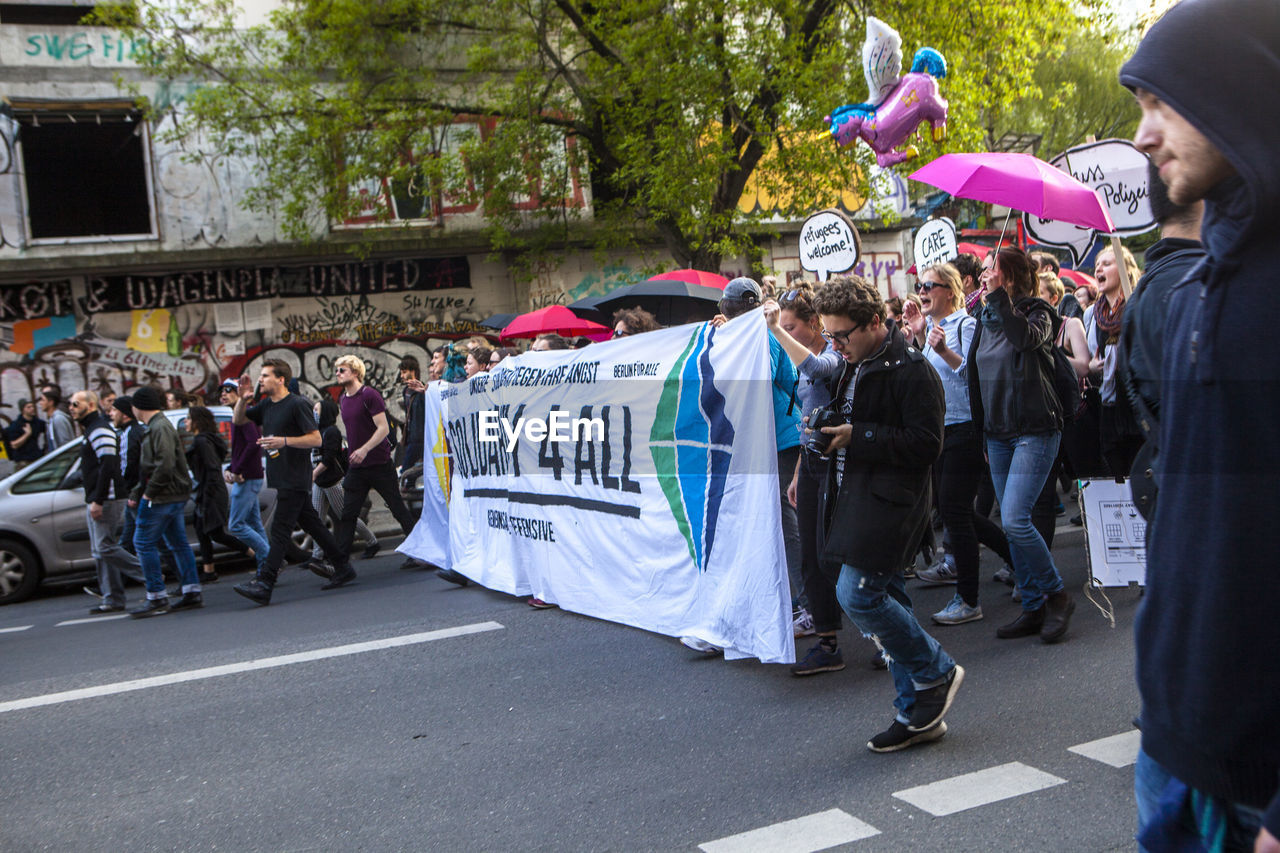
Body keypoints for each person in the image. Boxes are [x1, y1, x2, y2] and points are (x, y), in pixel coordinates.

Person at [1121, 3, 1280, 849]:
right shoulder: (1204, 284)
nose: (1142, 135)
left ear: (1234, 93)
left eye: (1160, 102)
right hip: (1176, 748)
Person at [811, 275, 961, 752]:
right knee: (886, 607)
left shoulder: (914, 370)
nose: (835, 345)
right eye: (829, 335)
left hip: (890, 505)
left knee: (857, 596)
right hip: (855, 496)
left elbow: (926, 444)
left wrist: (860, 435)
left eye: (842, 335)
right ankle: (916, 712)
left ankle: (937, 670)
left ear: (874, 322)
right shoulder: (854, 360)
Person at [967, 247, 1075, 643]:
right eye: (981, 272)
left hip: (1036, 429)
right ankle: (1033, 606)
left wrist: (996, 297)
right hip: (997, 435)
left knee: (1014, 518)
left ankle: (1058, 595)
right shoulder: (984, 317)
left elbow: (1026, 339)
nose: (983, 276)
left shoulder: (1038, 312)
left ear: (1009, 276)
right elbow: (976, 380)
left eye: (989, 270)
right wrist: (982, 433)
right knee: (1014, 527)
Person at [901, 264, 1013, 625]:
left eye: (928, 285)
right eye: (919, 286)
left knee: (954, 511)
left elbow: (974, 375)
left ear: (949, 290)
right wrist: (919, 339)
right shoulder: (935, 329)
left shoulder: (966, 325)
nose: (921, 291)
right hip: (941, 431)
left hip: (965, 429)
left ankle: (968, 599)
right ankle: (1017, 558)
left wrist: (945, 350)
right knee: (958, 511)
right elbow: (930, 380)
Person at [763, 285, 848, 674]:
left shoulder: (836, 352)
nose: (787, 333)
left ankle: (886, 637)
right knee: (812, 555)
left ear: (815, 324)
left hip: (844, 464)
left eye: (792, 326)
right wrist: (799, 470)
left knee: (853, 551)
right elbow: (805, 420)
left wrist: (776, 333)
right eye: (784, 327)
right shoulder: (803, 350)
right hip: (812, 462)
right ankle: (828, 642)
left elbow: (817, 370)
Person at [232, 360, 354, 605]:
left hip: (295, 477)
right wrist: (243, 399)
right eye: (260, 375)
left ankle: (265, 583)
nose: (260, 379)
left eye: (265, 375)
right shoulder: (266, 404)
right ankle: (342, 566)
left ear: (280, 379)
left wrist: (283, 441)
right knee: (315, 526)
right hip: (281, 476)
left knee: (279, 530)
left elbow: (316, 438)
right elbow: (239, 421)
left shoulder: (297, 404)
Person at [331, 355, 418, 580]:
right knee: (348, 514)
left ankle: (419, 549)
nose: (338, 373)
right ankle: (341, 567)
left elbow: (382, 429)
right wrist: (353, 451)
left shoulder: (369, 395)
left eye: (342, 370)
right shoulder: (343, 399)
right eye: (337, 370)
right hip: (357, 468)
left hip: (378, 464)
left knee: (397, 507)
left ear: (355, 372)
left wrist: (364, 449)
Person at [127, 386, 201, 617]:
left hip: (163, 495)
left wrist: (148, 493)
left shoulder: (158, 428)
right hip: (171, 493)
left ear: (138, 407)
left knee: (142, 542)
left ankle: (156, 597)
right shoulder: (158, 425)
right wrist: (139, 491)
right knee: (177, 542)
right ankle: (191, 590)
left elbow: (164, 464)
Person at [71, 391, 142, 615]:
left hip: (108, 497)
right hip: (97, 497)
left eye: (75, 403)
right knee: (99, 550)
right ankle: (112, 597)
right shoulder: (91, 429)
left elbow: (109, 463)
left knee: (105, 546)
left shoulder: (99, 428)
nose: (71, 407)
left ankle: (149, 572)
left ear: (90, 405)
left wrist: (98, 500)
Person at [1087, 246, 1145, 478]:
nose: (1099, 267)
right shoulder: (1094, 314)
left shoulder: (1138, 305)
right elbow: (1092, 357)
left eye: (1107, 263)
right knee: (1115, 472)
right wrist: (1092, 368)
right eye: (1098, 264)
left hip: (1135, 405)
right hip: (1109, 407)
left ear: (1124, 270)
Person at [185, 406, 252, 585]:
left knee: (216, 533)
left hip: (211, 492)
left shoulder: (202, 442)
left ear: (197, 421)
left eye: (188, 418)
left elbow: (212, 468)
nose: (186, 422)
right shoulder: (207, 439)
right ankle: (209, 570)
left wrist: (207, 494)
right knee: (201, 530)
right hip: (207, 491)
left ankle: (258, 554)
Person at [312, 398, 379, 560]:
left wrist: (313, 474)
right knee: (316, 520)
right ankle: (317, 555)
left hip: (332, 482)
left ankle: (372, 541)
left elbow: (328, 459)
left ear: (325, 412)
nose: (314, 413)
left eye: (317, 410)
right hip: (319, 483)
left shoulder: (331, 432)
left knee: (347, 517)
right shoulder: (316, 432)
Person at [218, 379, 271, 577]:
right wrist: (232, 467)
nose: (223, 394)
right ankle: (265, 568)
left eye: (229, 391)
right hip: (247, 475)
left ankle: (271, 560)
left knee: (236, 525)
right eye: (222, 391)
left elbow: (253, 443)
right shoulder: (238, 414)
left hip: (247, 478)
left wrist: (237, 470)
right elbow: (241, 448)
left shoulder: (246, 415)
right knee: (255, 524)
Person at [3, 399, 45, 469]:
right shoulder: (16, 425)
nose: (32, 409)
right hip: (23, 462)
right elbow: (14, 445)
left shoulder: (37, 422)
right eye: (28, 407)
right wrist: (27, 434)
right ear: (23, 410)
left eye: (32, 406)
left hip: (36, 459)